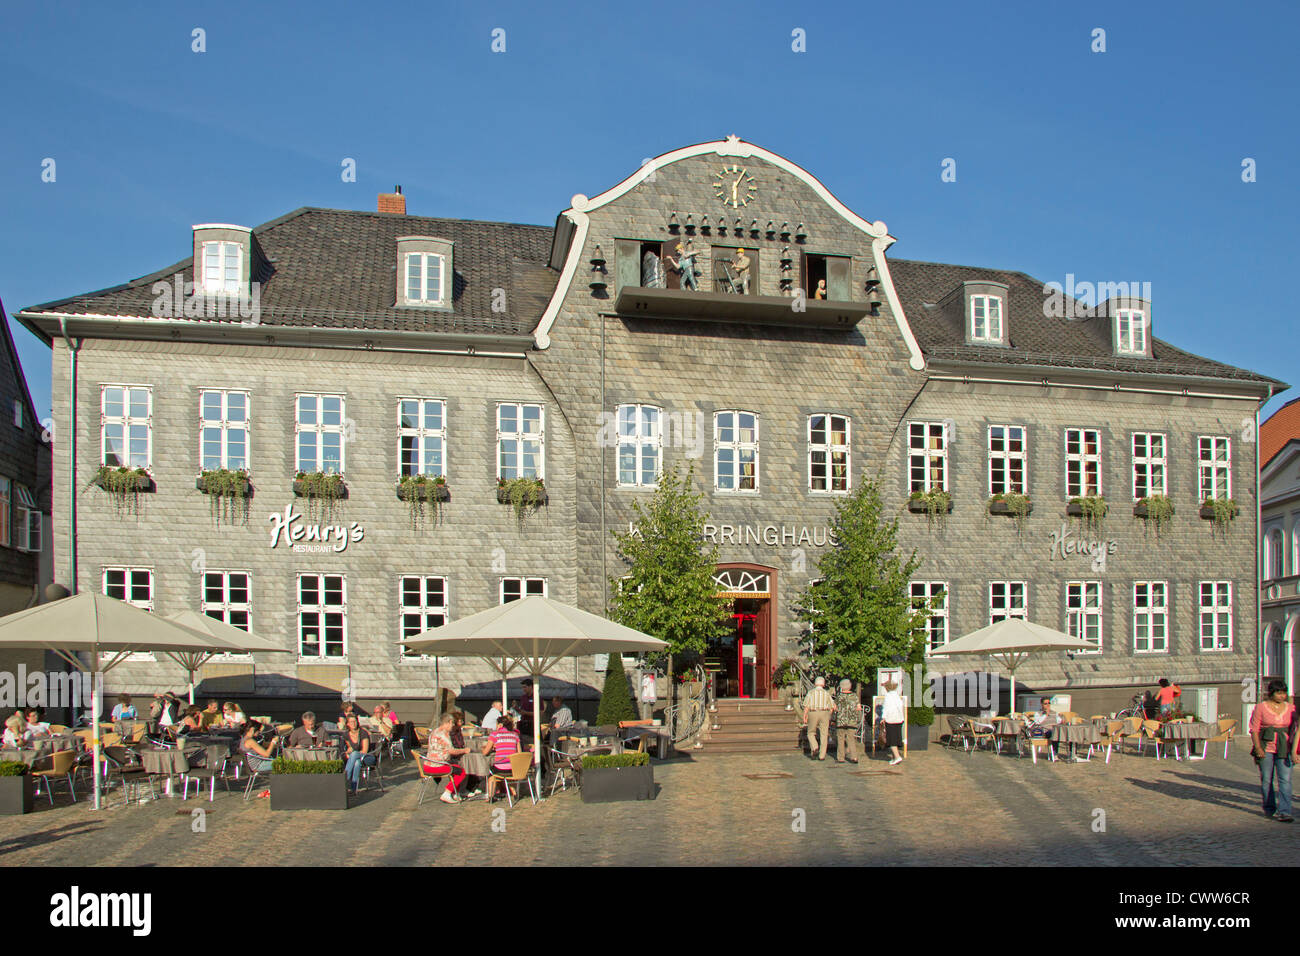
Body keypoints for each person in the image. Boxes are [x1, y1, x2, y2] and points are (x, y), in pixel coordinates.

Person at [1249, 679, 1297, 822]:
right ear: (1272, 693)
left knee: (1285, 780)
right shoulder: (1261, 707)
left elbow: (1295, 728)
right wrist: (1258, 748)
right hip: (1266, 747)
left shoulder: (1291, 708)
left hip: (1284, 748)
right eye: (1279, 693)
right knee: (1266, 779)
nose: (1282, 696)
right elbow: (1254, 729)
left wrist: (1294, 750)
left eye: (1284, 693)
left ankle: (1285, 811)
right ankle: (1269, 808)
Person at [422, 712, 470, 804]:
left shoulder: (435, 731)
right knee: (461, 772)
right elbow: (452, 751)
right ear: (448, 722)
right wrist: (465, 750)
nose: (452, 726)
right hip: (437, 765)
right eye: (452, 723)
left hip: (428, 763)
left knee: (456, 766)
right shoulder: (443, 736)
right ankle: (447, 793)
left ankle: (455, 793)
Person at [483, 714, 523, 803]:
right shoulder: (515, 735)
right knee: (509, 773)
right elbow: (519, 753)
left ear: (500, 725)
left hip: (500, 767)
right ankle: (514, 791)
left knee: (491, 774)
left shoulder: (494, 734)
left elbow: (485, 752)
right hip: (514, 767)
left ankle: (491, 796)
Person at [340, 714, 376, 794]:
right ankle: (353, 789)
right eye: (351, 722)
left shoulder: (363, 732)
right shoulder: (346, 734)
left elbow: (364, 751)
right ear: (347, 724)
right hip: (356, 759)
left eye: (355, 721)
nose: (353, 723)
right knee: (357, 762)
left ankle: (345, 779)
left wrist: (352, 754)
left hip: (367, 757)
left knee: (355, 754)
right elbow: (349, 748)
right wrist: (348, 752)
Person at [802, 676, 835, 761]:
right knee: (824, 734)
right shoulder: (826, 693)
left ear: (815, 683)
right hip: (824, 712)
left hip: (813, 712)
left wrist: (804, 716)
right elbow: (832, 706)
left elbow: (806, 706)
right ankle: (822, 755)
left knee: (810, 732)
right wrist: (829, 715)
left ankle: (815, 747)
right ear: (823, 684)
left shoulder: (811, 693)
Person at [833, 679, 862, 764]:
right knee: (851, 739)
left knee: (841, 739)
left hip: (841, 721)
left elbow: (835, 708)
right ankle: (854, 757)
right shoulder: (855, 696)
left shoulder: (839, 696)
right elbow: (858, 708)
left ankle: (841, 758)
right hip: (852, 721)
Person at [881, 679, 906, 766]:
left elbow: (886, 707)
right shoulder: (897, 696)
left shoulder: (888, 696)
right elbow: (900, 707)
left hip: (891, 719)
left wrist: (883, 717)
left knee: (891, 740)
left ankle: (897, 756)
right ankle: (895, 757)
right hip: (899, 719)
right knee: (896, 738)